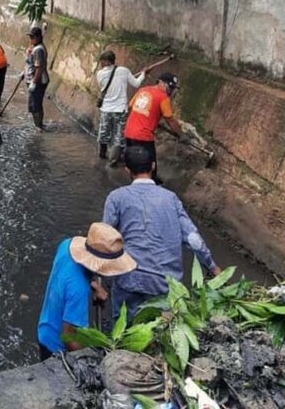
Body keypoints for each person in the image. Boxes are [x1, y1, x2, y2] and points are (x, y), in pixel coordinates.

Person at [103, 145, 222, 323]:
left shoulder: (116, 197)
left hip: (129, 280)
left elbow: (105, 239)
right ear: (152, 166)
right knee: (160, 331)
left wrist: (100, 278)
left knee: (123, 331)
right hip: (164, 284)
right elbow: (193, 239)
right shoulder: (171, 198)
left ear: (127, 169)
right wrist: (212, 267)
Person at [37, 223, 136, 360]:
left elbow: (67, 277)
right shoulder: (80, 290)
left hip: (46, 326)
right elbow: (69, 337)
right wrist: (94, 360)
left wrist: (92, 284)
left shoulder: (66, 246)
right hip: (56, 348)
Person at [124, 72, 186, 184]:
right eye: (170, 86)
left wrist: (151, 118)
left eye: (173, 88)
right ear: (161, 83)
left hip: (129, 132)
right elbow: (170, 119)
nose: (171, 90)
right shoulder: (163, 98)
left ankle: (133, 183)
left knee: (133, 160)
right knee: (150, 163)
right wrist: (181, 134)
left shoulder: (143, 90)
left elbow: (131, 107)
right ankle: (152, 184)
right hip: (144, 135)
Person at [96, 50, 147, 165]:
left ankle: (102, 154)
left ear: (106, 62)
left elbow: (103, 86)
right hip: (120, 110)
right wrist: (143, 74)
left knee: (104, 132)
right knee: (118, 135)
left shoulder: (99, 74)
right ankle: (113, 160)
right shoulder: (124, 71)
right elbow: (136, 84)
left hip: (106, 109)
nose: (101, 64)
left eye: (102, 62)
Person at [24, 27, 50, 129]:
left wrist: (34, 82)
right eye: (30, 37)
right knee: (35, 104)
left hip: (38, 81)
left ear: (39, 37)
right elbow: (31, 63)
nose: (31, 39)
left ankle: (39, 126)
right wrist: (24, 73)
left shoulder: (38, 50)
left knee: (35, 105)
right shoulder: (35, 48)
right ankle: (39, 125)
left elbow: (39, 68)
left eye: (32, 37)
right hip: (33, 78)